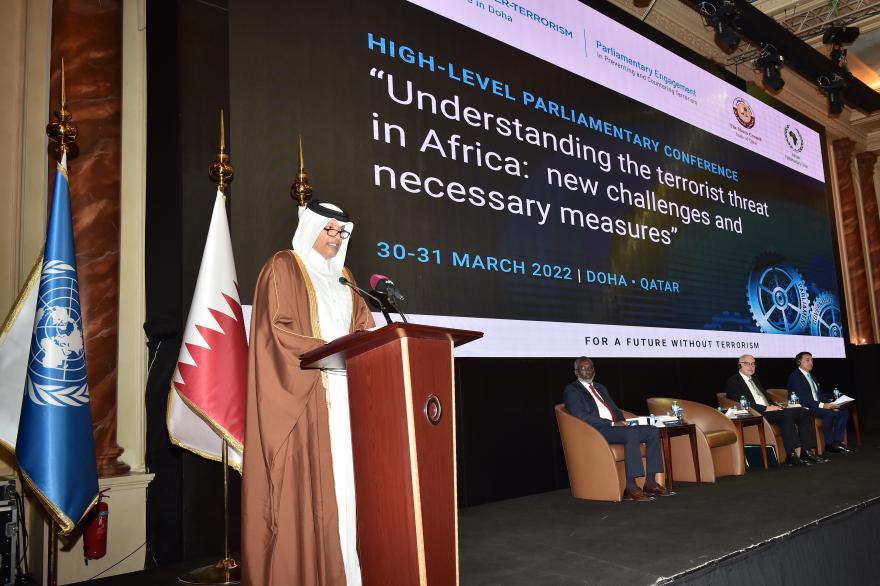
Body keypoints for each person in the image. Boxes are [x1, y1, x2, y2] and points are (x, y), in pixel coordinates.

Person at [242, 200, 375, 586]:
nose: (335, 238)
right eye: (329, 229)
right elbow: (274, 334)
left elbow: (363, 327)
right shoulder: (283, 267)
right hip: (307, 399)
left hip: (348, 400)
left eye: (341, 233)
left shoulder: (346, 277)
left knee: (348, 498)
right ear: (311, 228)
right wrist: (326, 350)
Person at [563, 357, 670, 501]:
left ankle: (650, 483)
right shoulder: (572, 390)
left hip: (616, 427)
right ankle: (631, 487)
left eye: (590, 368)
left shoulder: (601, 387)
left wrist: (623, 421)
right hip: (597, 430)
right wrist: (612, 424)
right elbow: (581, 416)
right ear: (576, 372)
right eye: (583, 368)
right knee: (631, 434)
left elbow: (615, 409)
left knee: (652, 431)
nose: (588, 372)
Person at [724, 354, 825, 466]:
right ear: (739, 365)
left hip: (770, 410)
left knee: (804, 411)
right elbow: (741, 402)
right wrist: (767, 408)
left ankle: (807, 451)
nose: (751, 366)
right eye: (747, 363)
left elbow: (766, 398)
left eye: (753, 364)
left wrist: (776, 405)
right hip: (757, 413)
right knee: (787, 414)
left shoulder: (755, 380)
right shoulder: (733, 381)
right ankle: (791, 455)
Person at [787, 351, 851, 454]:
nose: (811, 362)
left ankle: (837, 442)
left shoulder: (812, 376)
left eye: (812, 360)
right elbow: (803, 399)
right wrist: (822, 405)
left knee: (843, 411)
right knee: (828, 413)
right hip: (806, 407)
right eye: (807, 360)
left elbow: (819, 395)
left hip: (817, 406)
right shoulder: (795, 377)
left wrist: (831, 404)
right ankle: (829, 445)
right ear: (799, 362)